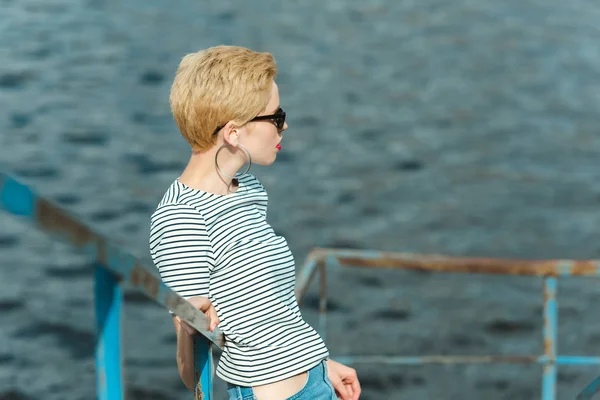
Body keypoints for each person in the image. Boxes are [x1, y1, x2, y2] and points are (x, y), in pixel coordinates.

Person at [149, 45, 361, 400]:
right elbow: (190, 374)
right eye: (276, 117)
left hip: (315, 383)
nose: (285, 125)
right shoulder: (181, 220)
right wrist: (188, 327)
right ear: (234, 132)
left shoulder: (246, 189)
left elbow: (270, 310)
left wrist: (321, 365)